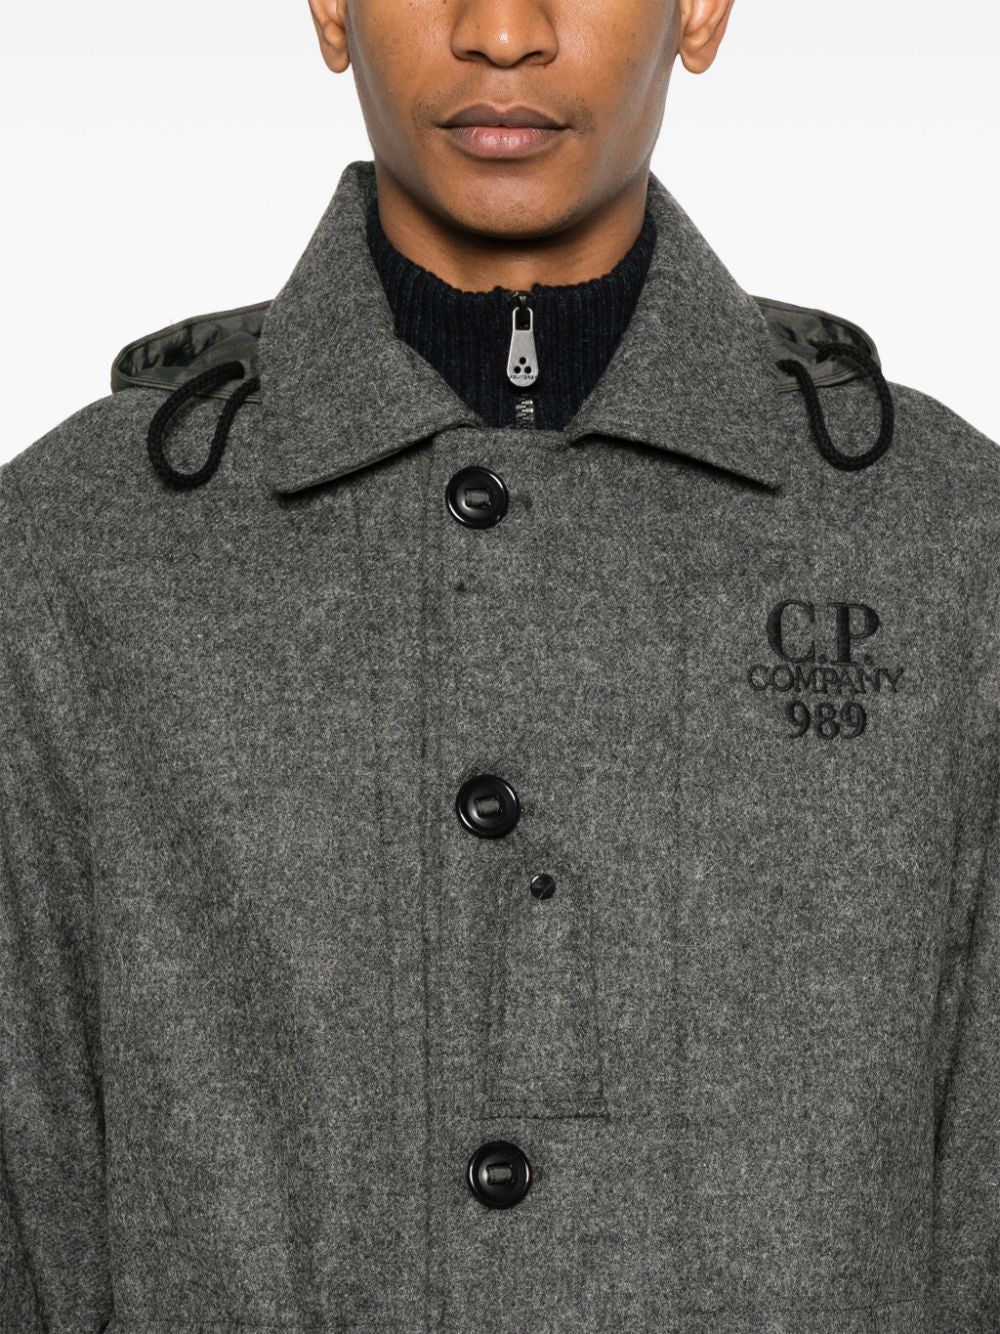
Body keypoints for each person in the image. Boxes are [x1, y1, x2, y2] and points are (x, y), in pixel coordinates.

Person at [2, 1, 997, 1331]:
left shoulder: (944, 543)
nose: (504, 31)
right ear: (330, 7)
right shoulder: (78, 552)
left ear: (701, 10)